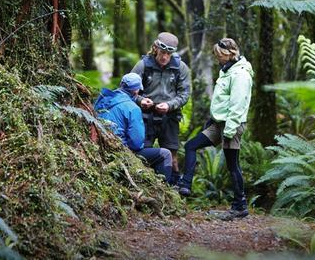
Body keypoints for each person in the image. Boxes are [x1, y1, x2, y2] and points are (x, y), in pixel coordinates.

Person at [177, 38, 253, 219]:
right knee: (190, 146)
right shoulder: (227, 71)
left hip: (231, 126)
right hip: (219, 124)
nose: (217, 58)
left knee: (232, 165)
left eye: (219, 55)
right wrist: (212, 121)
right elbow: (223, 102)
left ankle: (240, 206)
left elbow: (237, 104)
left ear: (229, 54)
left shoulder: (240, 74)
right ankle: (185, 185)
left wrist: (229, 131)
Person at [130, 32, 191, 184]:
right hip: (145, 117)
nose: (165, 57)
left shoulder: (180, 68)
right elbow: (127, 89)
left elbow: (185, 94)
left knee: (172, 155)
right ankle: (146, 184)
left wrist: (170, 105)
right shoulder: (143, 65)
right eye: (162, 53)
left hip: (169, 117)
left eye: (169, 54)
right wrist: (141, 100)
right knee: (143, 153)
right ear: (156, 48)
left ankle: (173, 187)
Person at [94, 72, 172, 182]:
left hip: (99, 145)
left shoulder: (103, 98)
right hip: (119, 150)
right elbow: (136, 143)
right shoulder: (133, 108)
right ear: (136, 91)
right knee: (165, 154)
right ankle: (166, 190)